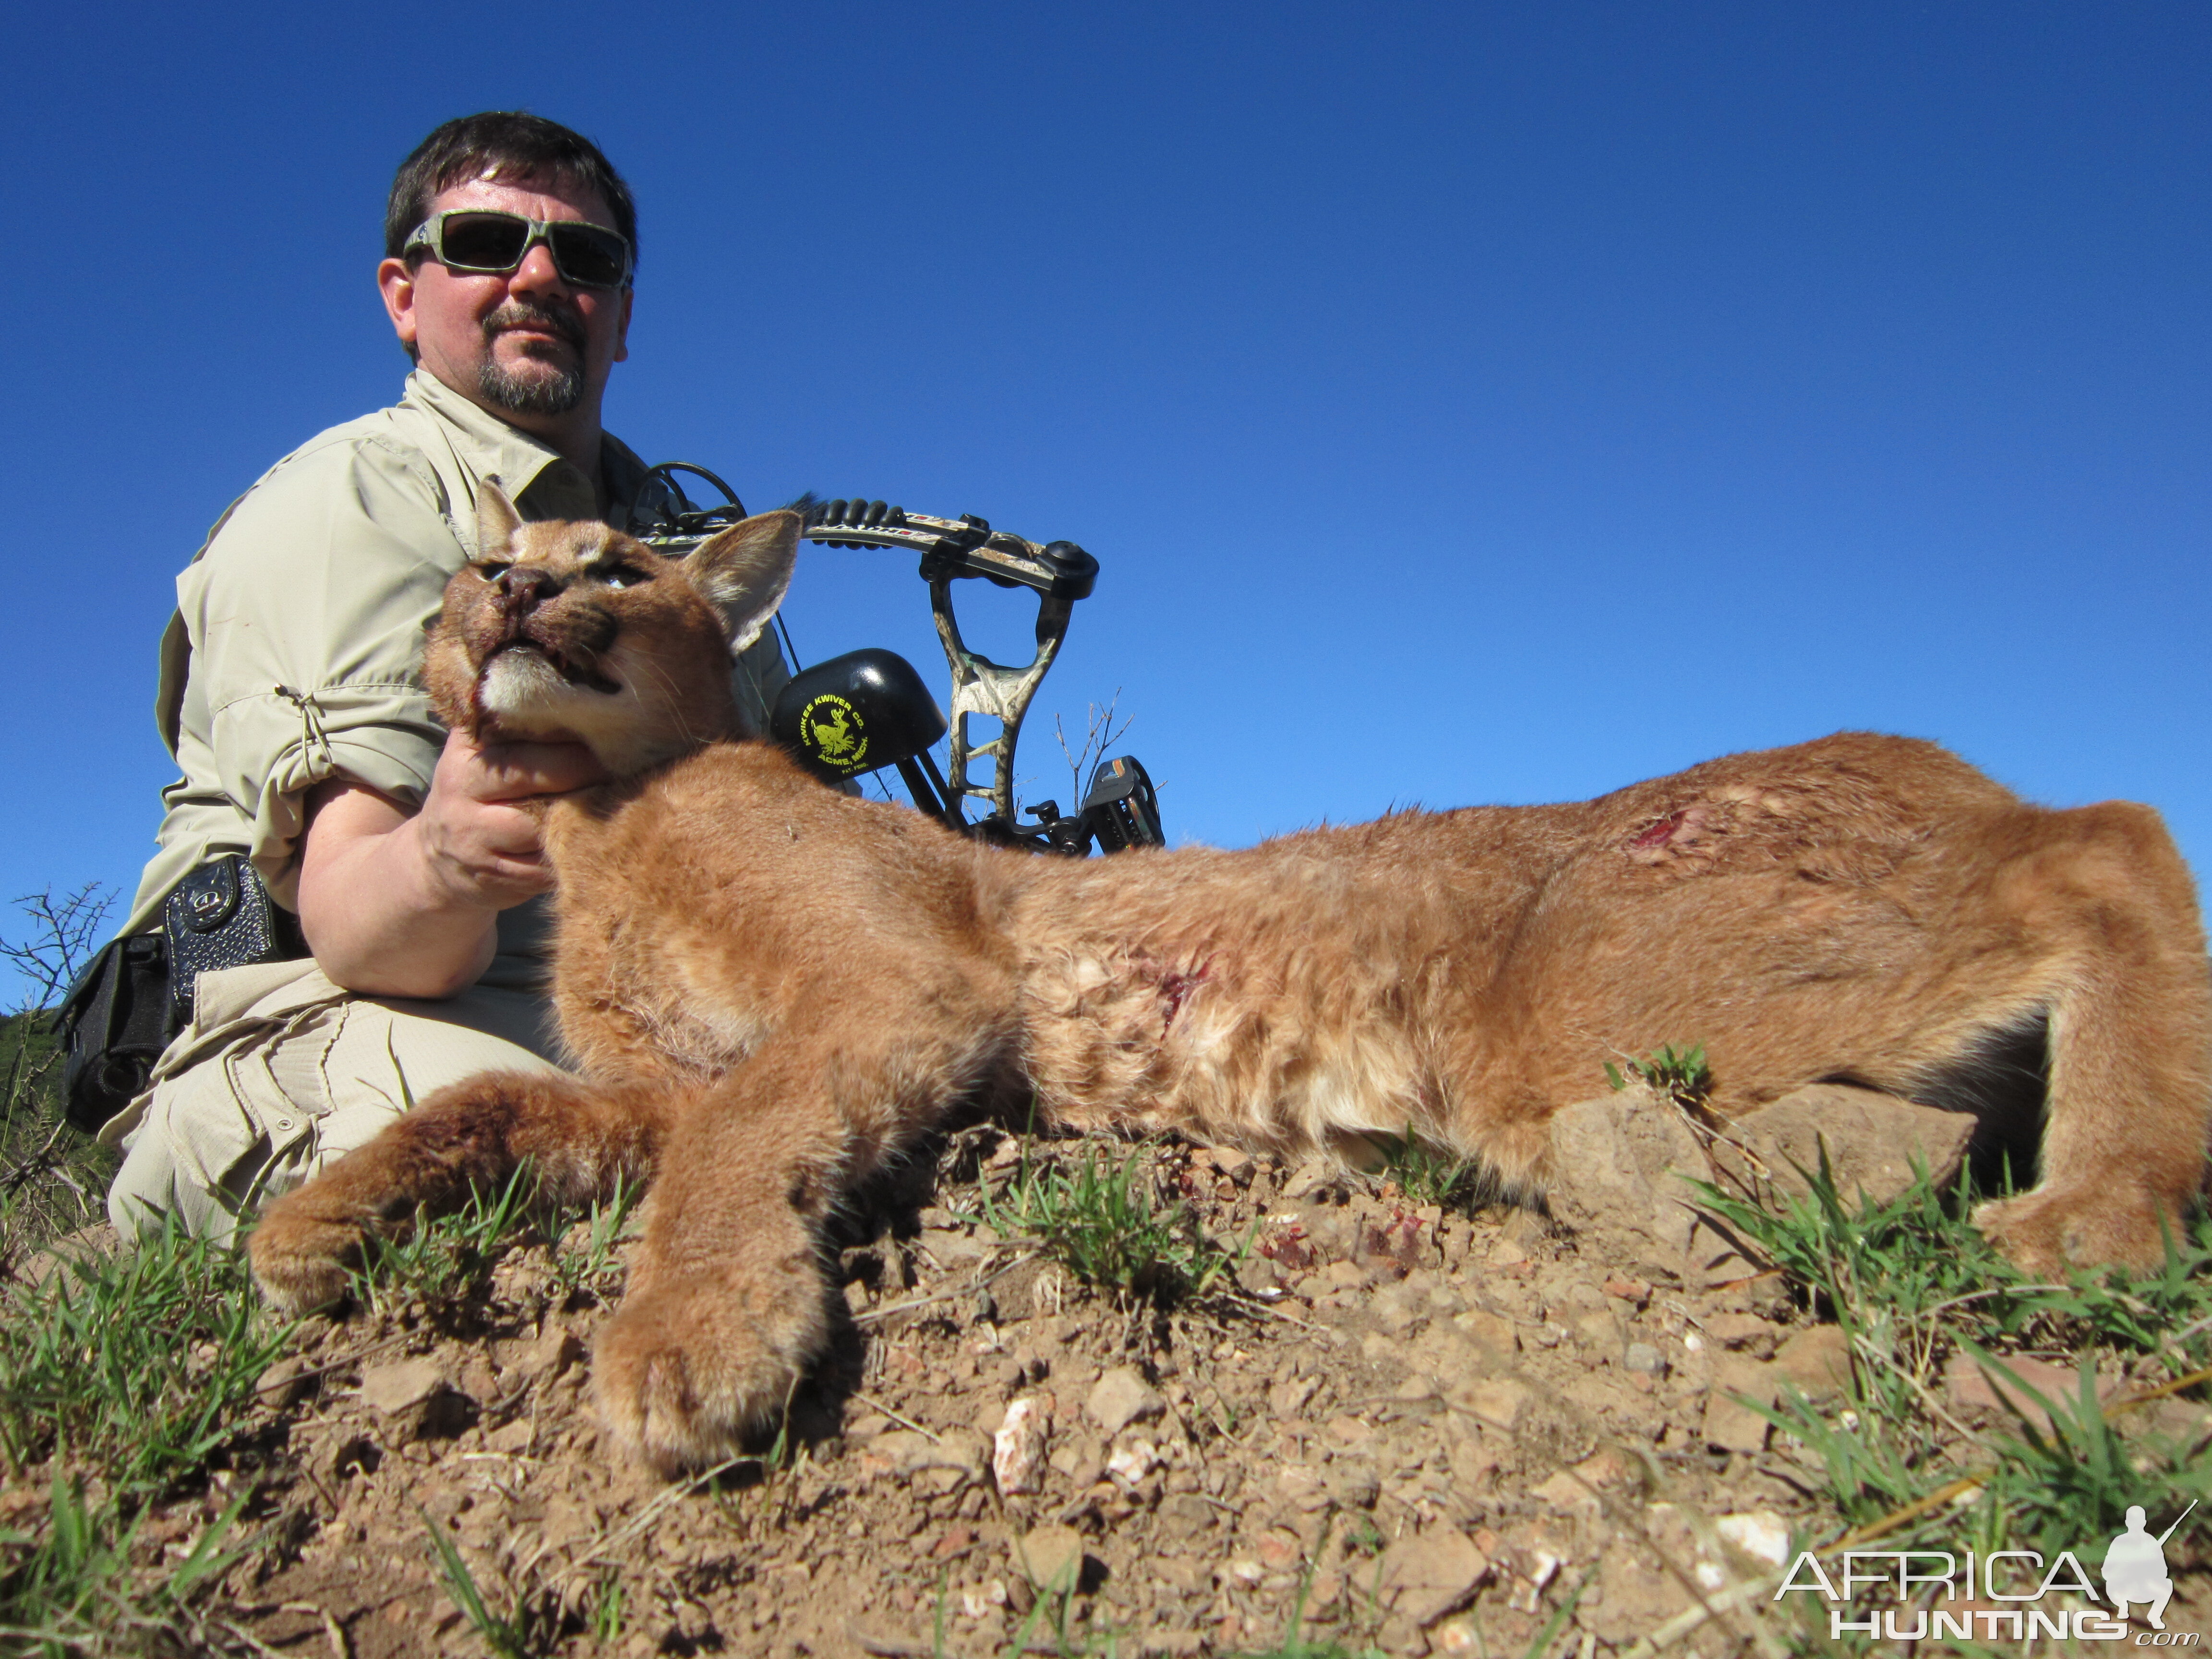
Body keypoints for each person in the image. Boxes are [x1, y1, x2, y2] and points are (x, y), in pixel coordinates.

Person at [104, 112, 787, 1239]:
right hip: (350, 1005)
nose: (535, 276)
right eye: (479, 241)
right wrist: (446, 852)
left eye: (585, 257)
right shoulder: (357, 496)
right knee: (633, 1181)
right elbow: (368, 929)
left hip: (641, 1018)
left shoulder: (668, 553)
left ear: (620, 316)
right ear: (403, 295)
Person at [2102, 1505, 2175, 1629]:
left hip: (2143, 1585)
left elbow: (2163, 1571)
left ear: (2144, 1522)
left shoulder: (2151, 1542)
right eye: (2132, 1521)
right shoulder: (2120, 1542)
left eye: (2139, 1521)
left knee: (2167, 1585)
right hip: (2122, 1587)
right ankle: (2122, 1608)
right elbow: (2107, 1571)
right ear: (2127, 1522)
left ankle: (2155, 1616)